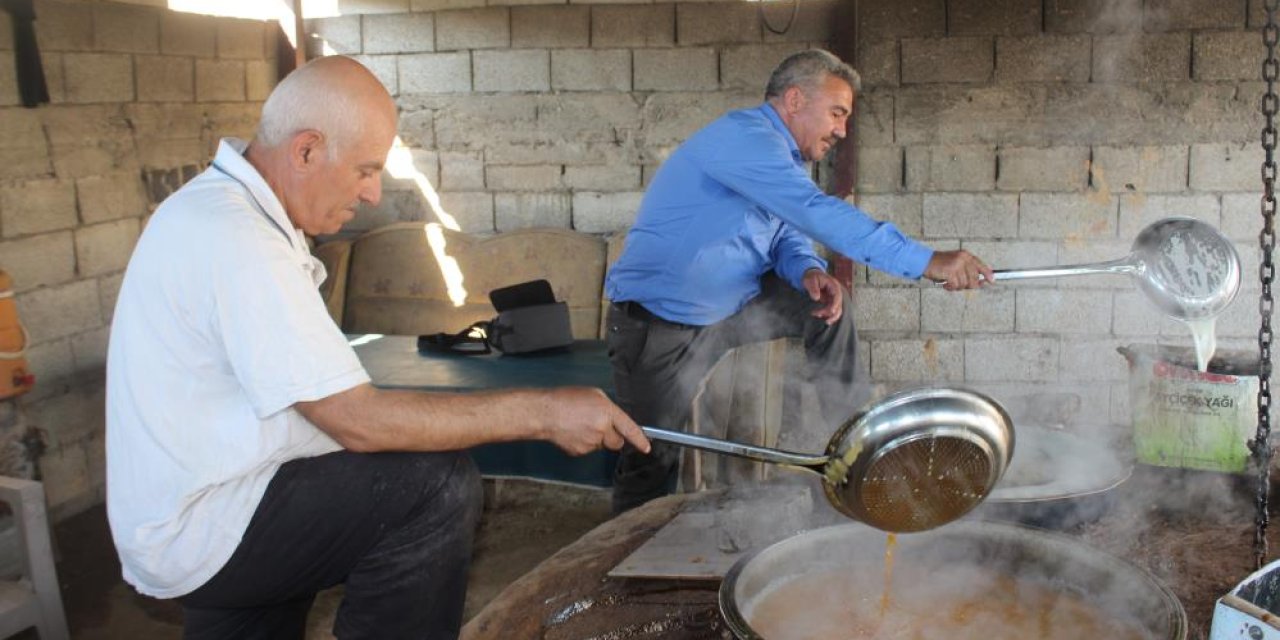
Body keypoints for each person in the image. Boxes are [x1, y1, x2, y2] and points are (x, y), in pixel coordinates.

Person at [105, 55, 648, 640]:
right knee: (432, 486)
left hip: (207, 496)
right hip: (210, 520)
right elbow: (358, 421)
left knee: (293, 567)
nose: (371, 194)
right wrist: (545, 412)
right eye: (366, 170)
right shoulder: (238, 239)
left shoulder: (220, 210)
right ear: (307, 150)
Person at [604, 49, 992, 513]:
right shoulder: (743, 140)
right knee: (650, 453)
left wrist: (808, 270)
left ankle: (855, 451)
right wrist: (927, 261)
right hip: (659, 324)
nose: (841, 130)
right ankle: (620, 564)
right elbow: (813, 212)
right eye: (836, 113)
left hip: (732, 308)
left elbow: (786, 232)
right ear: (793, 100)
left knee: (828, 308)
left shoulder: (781, 161)